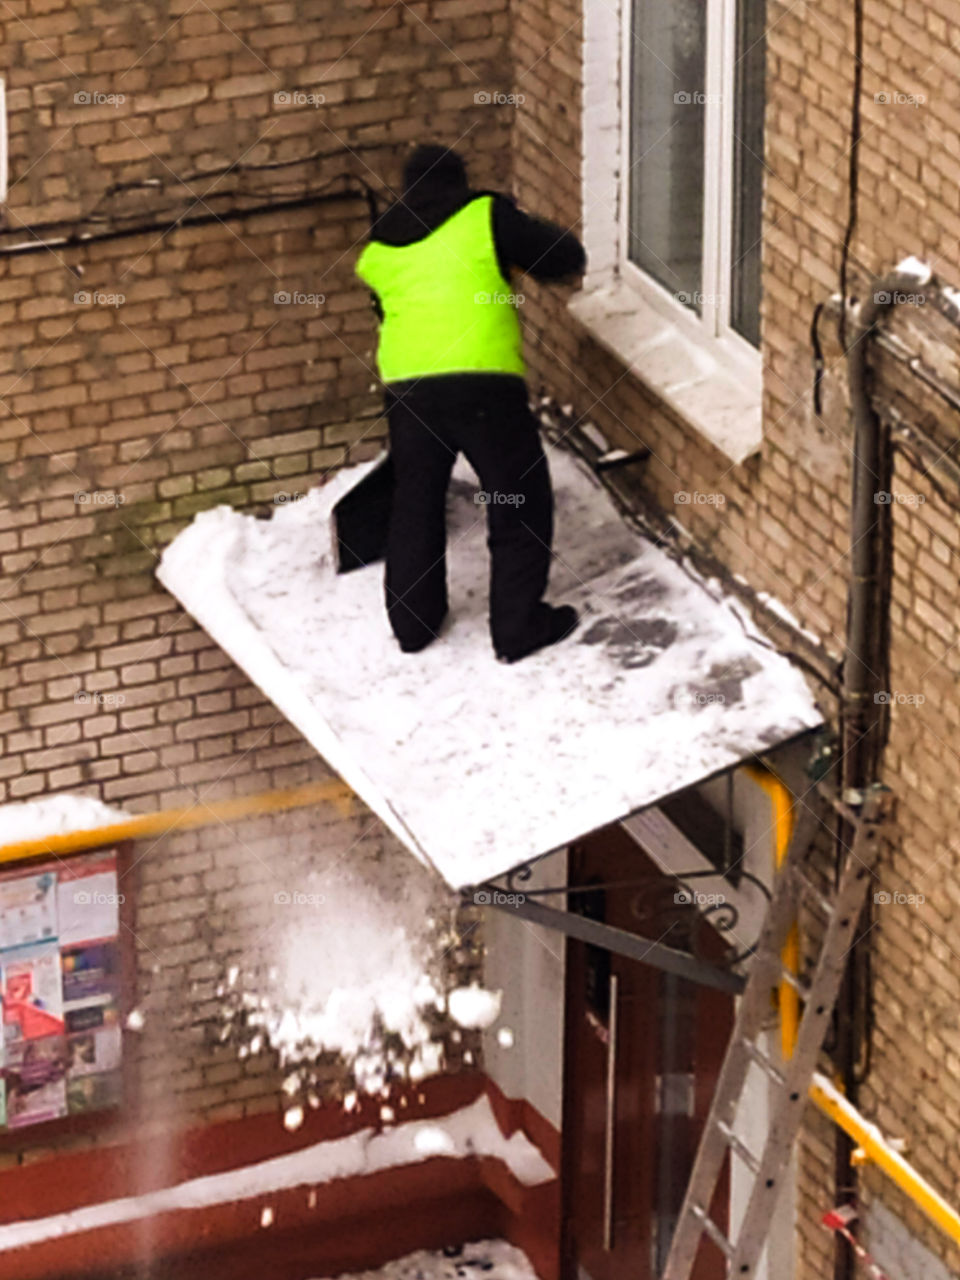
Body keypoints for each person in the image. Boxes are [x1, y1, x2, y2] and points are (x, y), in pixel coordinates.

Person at [354, 143, 586, 663]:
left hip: (409, 392)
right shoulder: (483, 214)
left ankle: (413, 625)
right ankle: (517, 628)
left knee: (415, 502)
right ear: (458, 182)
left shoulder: (380, 247)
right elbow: (562, 258)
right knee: (517, 499)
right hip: (483, 386)